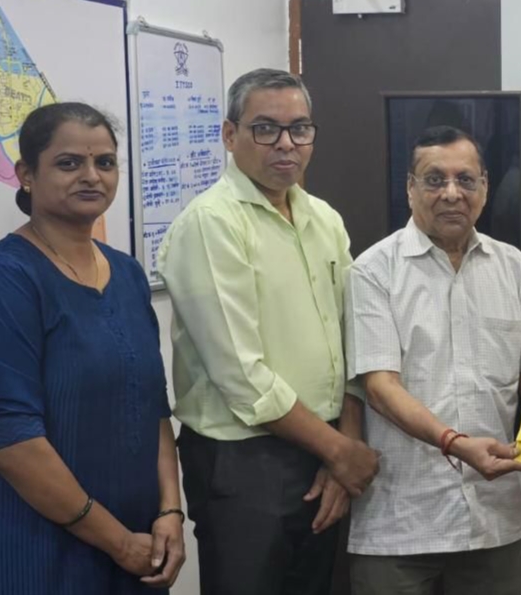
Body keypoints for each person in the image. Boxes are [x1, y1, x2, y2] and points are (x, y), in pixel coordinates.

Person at [157, 68, 379, 595]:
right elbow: (241, 375)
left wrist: (343, 442)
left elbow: (352, 337)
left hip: (321, 446)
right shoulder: (211, 223)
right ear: (230, 135)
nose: (286, 144)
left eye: (299, 128)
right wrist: (339, 450)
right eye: (265, 129)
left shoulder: (323, 218)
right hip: (245, 461)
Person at [0, 102, 185, 594]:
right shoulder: (0, 280)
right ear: (26, 175)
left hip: (136, 543)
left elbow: (154, 409)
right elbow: (13, 444)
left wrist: (170, 510)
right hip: (27, 549)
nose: (91, 176)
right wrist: (119, 543)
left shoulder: (127, 273)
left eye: (105, 162)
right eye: (69, 163)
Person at [344, 125, 521, 595]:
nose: (452, 193)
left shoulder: (513, 267)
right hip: (400, 524)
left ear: (485, 187)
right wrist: (456, 444)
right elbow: (380, 388)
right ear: (410, 188)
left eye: (466, 180)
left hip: (493, 520)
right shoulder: (374, 271)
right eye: (435, 180)